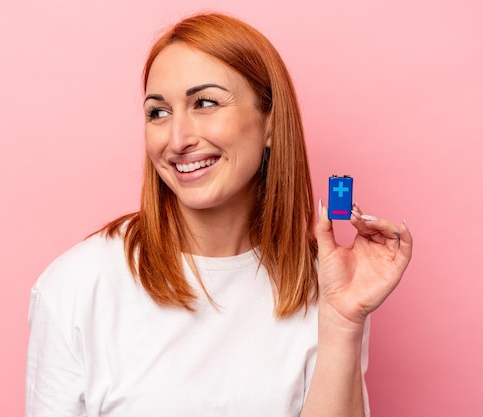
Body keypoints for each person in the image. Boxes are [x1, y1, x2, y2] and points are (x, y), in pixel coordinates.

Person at [25, 12, 412, 417]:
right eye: (158, 112)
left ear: (270, 124)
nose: (177, 140)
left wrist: (342, 322)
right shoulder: (77, 286)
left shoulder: (326, 286)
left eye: (205, 103)